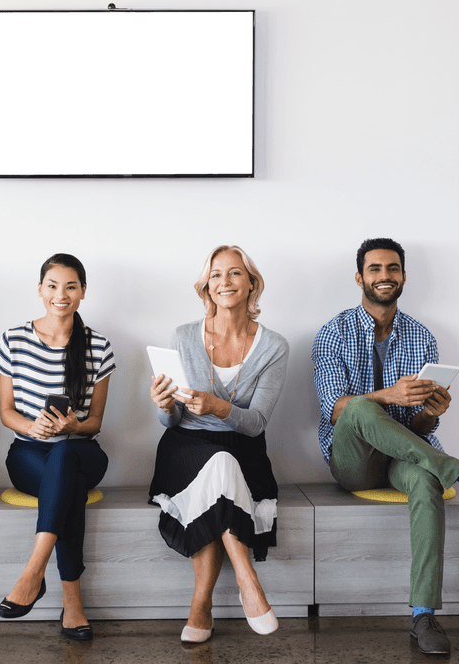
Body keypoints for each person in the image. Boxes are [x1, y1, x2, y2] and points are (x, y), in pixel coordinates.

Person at [311, 237, 459, 655]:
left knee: (427, 485)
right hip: (351, 460)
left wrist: (433, 412)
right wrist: (388, 395)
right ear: (360, 278)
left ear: (404, 277)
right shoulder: (333, 332)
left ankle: (423, 616)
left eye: (392, 269)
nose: (384, 276)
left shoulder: (421, 336)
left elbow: (417, 426)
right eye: (375, 269)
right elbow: (335, 409)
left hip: (402, 455)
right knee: (359, 409)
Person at [148, 245, 288, 643]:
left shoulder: (274, 346)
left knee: (225, 464)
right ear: (206, 287)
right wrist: (163, 406)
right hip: (186, 446)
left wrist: (217, 406)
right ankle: (249, 582)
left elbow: (257, 421)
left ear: (251, 284)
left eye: (234, 274)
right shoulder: (183, 336)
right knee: (218, 466)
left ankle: (201, 605)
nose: (224, 282)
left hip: (244, 446)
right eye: (215, 275)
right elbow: (172, 418)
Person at [0, 253, 115, 641]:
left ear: (82, 293)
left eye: (71, 286)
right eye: (53, 285)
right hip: (28, 454)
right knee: (69, 487)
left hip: (81, 450)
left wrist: (74, 426)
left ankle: (33, 571)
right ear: (40, 290)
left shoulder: (98, 346)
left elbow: (95, 422)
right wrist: (35, 427)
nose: (61, 294)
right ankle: (73, 604)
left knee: (66, 454)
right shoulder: (13, 339)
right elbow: (6, 413)